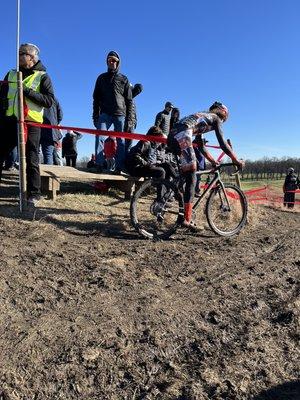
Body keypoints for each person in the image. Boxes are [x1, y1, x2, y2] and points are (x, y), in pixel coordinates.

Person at [168, 101, 244, 230]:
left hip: (173, 135)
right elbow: (223, 143)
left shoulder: (203, 117)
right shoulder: (216, 118)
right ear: (223, 113)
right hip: (183, 134)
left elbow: (201, 145)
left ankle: (179, 210)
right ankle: (186, 219)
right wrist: (236, 160)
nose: (223, 121)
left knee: (186, 176)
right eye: (225, 118)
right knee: (192, 175)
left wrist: (213, 161)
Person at [0, 43, 54, 205]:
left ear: (31, 57)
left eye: (22, 53)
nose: (18, 55)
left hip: (31, 123)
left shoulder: (43, 76)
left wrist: (27, 91)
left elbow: (49, 101)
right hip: (9, 121)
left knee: (32, 157)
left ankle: (34, 193)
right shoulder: (10, 74)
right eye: (18, 52)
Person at [92, 51, 133, 173]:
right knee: (100, 136)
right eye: (110, 60)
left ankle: (119, 167)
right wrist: (95, 116)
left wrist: (129, 119)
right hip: (104, 114)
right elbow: (96, 99)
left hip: (120, 114)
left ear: (118, 62)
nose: (112, 62)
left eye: (114, 60)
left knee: (120, 141)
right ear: (107, 62)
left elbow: (129, 101)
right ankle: (99, 164)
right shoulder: (101, 78)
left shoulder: (123, 79)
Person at [40, 97, 63, 164]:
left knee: (36, 153)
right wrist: (54, 123)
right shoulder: (54, 99)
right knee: (48, 154)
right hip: (50, 130)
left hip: (37, 127)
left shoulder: (36, 95)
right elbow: (60, 115)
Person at [124, 83, 143, 156]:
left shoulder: (132, 99)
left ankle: (125, 161)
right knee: (127, 144)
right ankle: (124, 162)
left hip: (131, 122)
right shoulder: (128, 96)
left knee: (128, 144)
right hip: (128, 121)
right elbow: (139, 87)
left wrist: (135, 122)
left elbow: (134, 112)